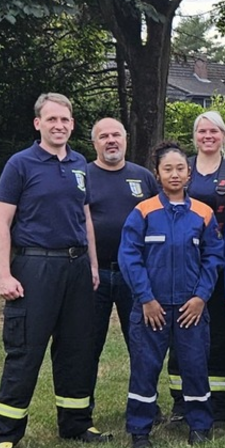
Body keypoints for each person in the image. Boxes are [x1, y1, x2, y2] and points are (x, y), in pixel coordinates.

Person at [0, 92, 111, 448]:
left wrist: (91, 264)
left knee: (76, 348)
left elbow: (84, 217)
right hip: (36, 268)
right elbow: (1, 223)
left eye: (65, 120)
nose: (59, 126)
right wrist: (4, 274)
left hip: (76, 269)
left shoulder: (79, 164)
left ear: (72, 125)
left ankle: (75, 422)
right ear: (38, 123)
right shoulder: (20, 164)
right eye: (52, 119)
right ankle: (5, 436)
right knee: (26, 350)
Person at [119, 141, 223, 448]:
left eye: (180, 169)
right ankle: (140, 430)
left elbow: (213, 258)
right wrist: (146, 299)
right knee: (145, 368)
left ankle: (200, 425)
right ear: (157, 174)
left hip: (191, 308)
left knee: (194, 367)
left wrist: (201, 297)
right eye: (168, 169)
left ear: (189, 174)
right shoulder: (143, 212)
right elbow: (130, 258)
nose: (174, 174)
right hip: (152, 308)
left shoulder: (203, 214)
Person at [167, 111, 225, 423]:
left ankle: (224, 402)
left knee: (224, 332)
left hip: (223, 261)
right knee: (185, 328)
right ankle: (182, 401)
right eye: (202, 131)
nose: (208, 136)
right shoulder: (182, 167)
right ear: (195, 135)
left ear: (224, 136)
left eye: (214, 131)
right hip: (185, 262)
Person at [85, 117, 157, 404]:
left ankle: (145, 404)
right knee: (87, 346)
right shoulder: (83, 175)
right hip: (94, 275)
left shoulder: (143, 177)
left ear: (126, 139)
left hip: (135, 277)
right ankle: (81, 409)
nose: (111, 140)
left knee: (141, 345)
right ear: (95, 143)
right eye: (104, 136)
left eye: (116, 135)